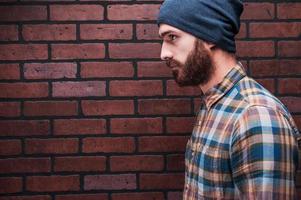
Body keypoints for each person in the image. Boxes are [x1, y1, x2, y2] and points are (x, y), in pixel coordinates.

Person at [157, 0, 300, 199]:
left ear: (210, 35)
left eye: (172, 37)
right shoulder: (214, 105)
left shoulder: (256, 117)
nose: (163, 53)